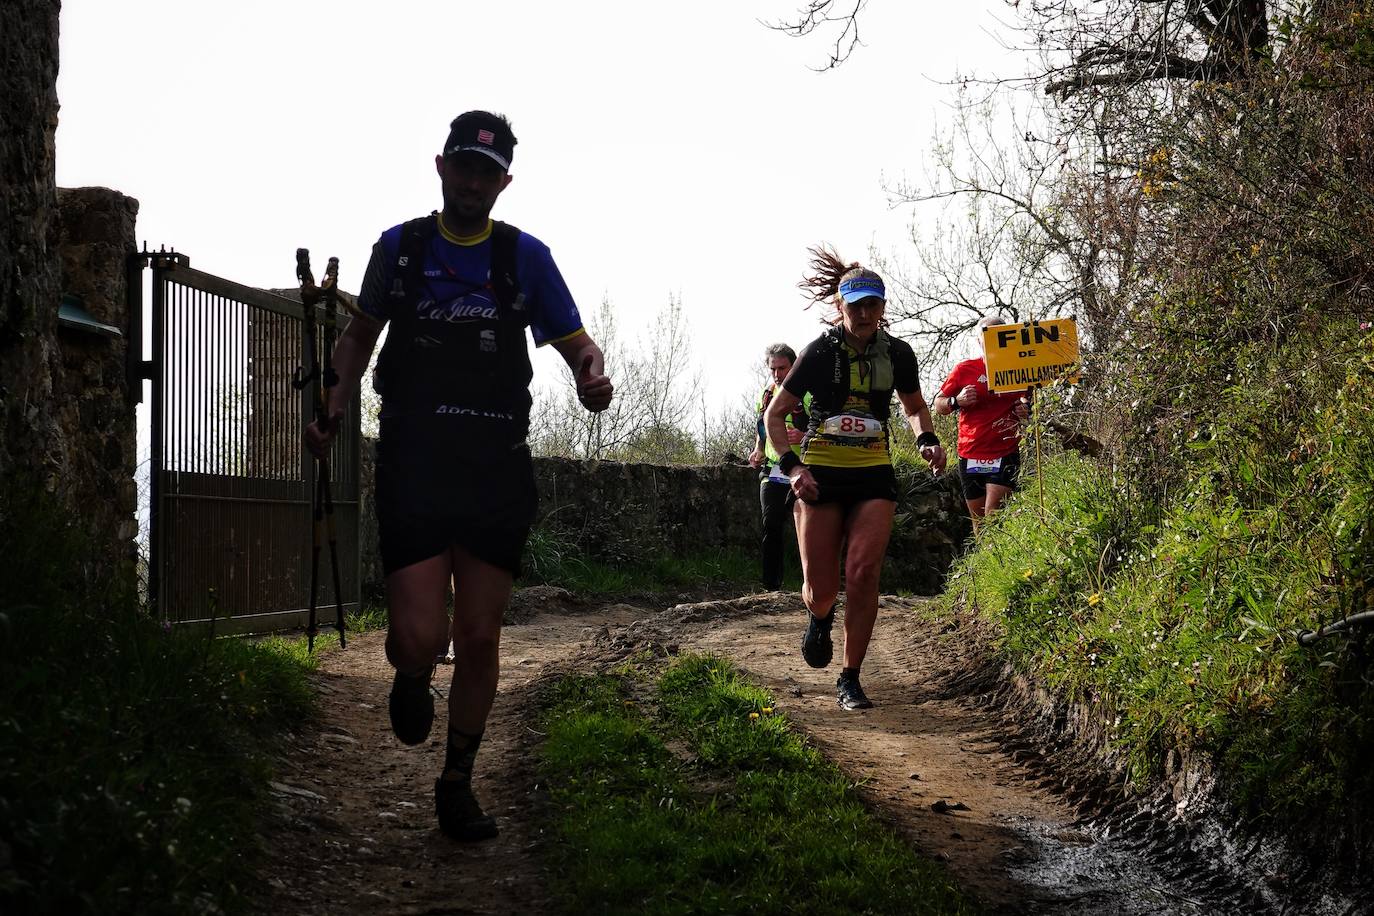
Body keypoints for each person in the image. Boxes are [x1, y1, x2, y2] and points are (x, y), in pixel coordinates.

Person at [304, 110, 613, 842]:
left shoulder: (523, 259)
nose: (473, 182)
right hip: (414, 462)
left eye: (487, 172)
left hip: (495, 467)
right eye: (463, 166)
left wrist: (592, 377)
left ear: (504, 182)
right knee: (418, 635)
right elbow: (356, 337)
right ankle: (412, 677)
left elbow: (578, 343)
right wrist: (332, 404)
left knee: (478, 637)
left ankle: (457, 784)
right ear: (440, 167)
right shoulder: (401, 250)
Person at [764, 247, 946, 711]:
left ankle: (850, 677)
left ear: (883, 308)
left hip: (873, 476)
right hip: (820, 476)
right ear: (839, 307)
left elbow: (913, 405)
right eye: (855, 305)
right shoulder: (819, 352)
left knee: (864, 573)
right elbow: (775, 416)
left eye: (873, 305)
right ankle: (819, 618)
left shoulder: (899, 353)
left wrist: (926, 439)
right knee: (822, 588)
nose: (864, 313)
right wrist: (793, 468)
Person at [934, 316, 1028, 528]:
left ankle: (1001, 558)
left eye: (997, 335)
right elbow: (938, 405)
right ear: (978, 340)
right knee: (979, 524)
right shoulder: (964, 369)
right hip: (970, 453)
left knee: (994, 516)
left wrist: (1025, 410)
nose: (991, 340)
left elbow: (1028, 402)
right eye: (986, 335)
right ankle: (988, 561)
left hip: (1005, 451)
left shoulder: (1019, 369)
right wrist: (956, 401)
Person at [747, 343, 809, 591]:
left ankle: (811, 584)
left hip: (804, 468)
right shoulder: (765, 395)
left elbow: (825, 425)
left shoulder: (809, 393)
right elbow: (762, 428)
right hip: (773, 470)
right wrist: (758, 449)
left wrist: (804, 435)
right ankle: (770, 587)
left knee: (807, 527)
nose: (777, 374)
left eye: (782, 368)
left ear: (793, 366)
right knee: (770, 524)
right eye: (773, 369)